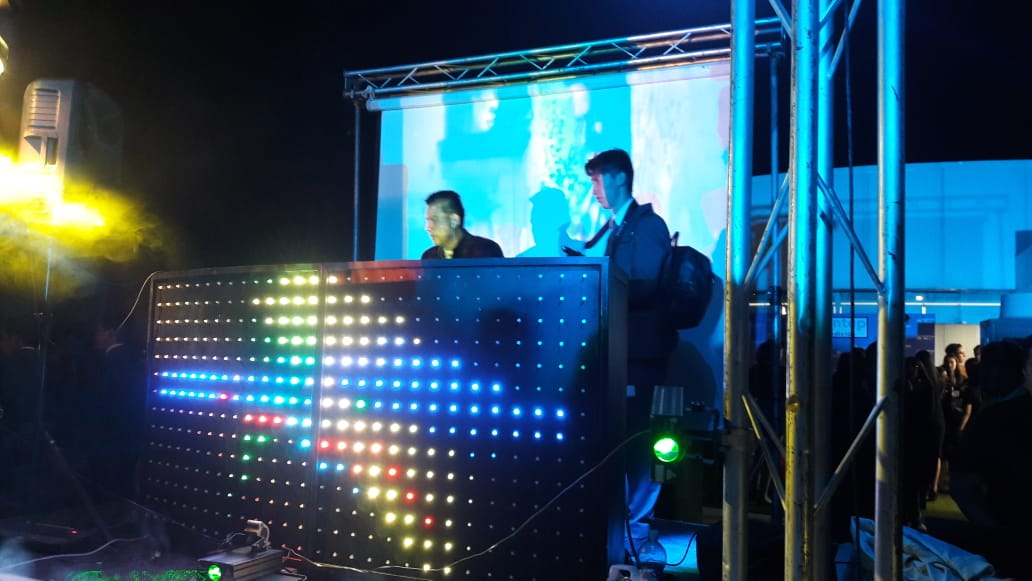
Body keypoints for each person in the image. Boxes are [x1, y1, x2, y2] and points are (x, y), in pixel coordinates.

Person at [584, 148, 676, 551]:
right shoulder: (618, 228)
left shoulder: (648, 225)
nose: (594, 190)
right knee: (622, 442)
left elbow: (646, 283)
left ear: (620, 177)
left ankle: (637, 533)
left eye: (597, 180)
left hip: (640, 357)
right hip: (620, 355)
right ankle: (624, 531)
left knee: (639, 444)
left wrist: (599, 286)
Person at [950, 339, 1032, 579]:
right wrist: (999, 534)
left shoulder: (993, 418)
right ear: (1023, 371)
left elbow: (962, 485)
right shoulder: (995, 420)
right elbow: (963, 485)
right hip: (1017, 544)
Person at [421, 190, 504, 259]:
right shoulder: (429, 257)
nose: (427, 227)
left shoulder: (487, 250)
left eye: (434, 220)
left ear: (454, 220)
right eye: (428, 221)